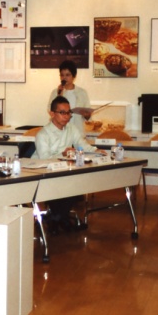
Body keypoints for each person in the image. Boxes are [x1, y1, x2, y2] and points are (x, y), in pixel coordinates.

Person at [33, 96, 106, 232]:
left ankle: (57, 218)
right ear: (52, 114)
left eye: (69, 113)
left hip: (64, 171)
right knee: (66, 185)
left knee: (76, 184)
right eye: (62, 112)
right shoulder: (43, 134)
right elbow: (44, 159)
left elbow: (82, 145)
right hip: (44, 173)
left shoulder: (71, 129)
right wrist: (63, 154)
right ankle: (59, 219)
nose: (67, 116)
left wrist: (97, 151)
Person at [48, 60, 91, 137]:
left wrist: (87, 115)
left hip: (77, 133)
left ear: (74, 76)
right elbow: (51, 111)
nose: (64, 78)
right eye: (62, 75)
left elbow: (88, 116)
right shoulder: (55, 92)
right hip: (59, 134)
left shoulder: (82, 93)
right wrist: (59, 95)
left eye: (67, 75)